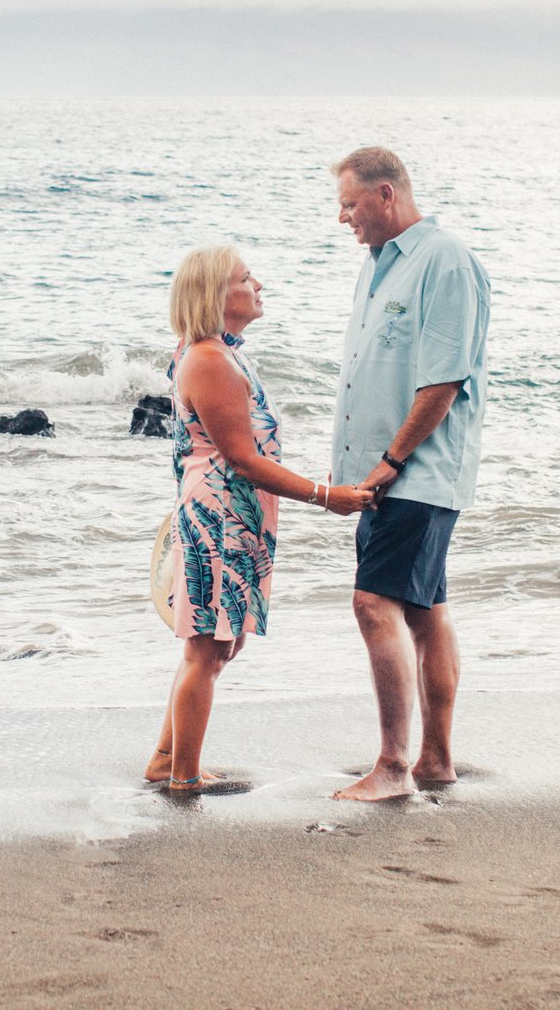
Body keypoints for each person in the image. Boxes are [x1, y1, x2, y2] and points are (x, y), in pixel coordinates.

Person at [147, 244, 374, 794]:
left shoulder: (220, 354)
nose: (259, 285)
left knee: (219, 642)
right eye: (247, 278)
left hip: (231, 512)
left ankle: (166, 759)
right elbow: (243, 460)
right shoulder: (209, 360)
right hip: (220, 516)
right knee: (208, 646)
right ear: (216, 294)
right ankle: (183, 777)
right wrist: (326, 496)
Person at [327, 147, 491, 801]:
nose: (342, 217)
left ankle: (393, 767)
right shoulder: (376, 267)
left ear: (386, 194)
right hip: (380, 476)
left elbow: (444, 380)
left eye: (349, 204)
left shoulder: (443, 260)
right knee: (424, 612)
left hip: (414, 473)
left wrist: (391, 462)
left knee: (373, 603)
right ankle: (435, 761)